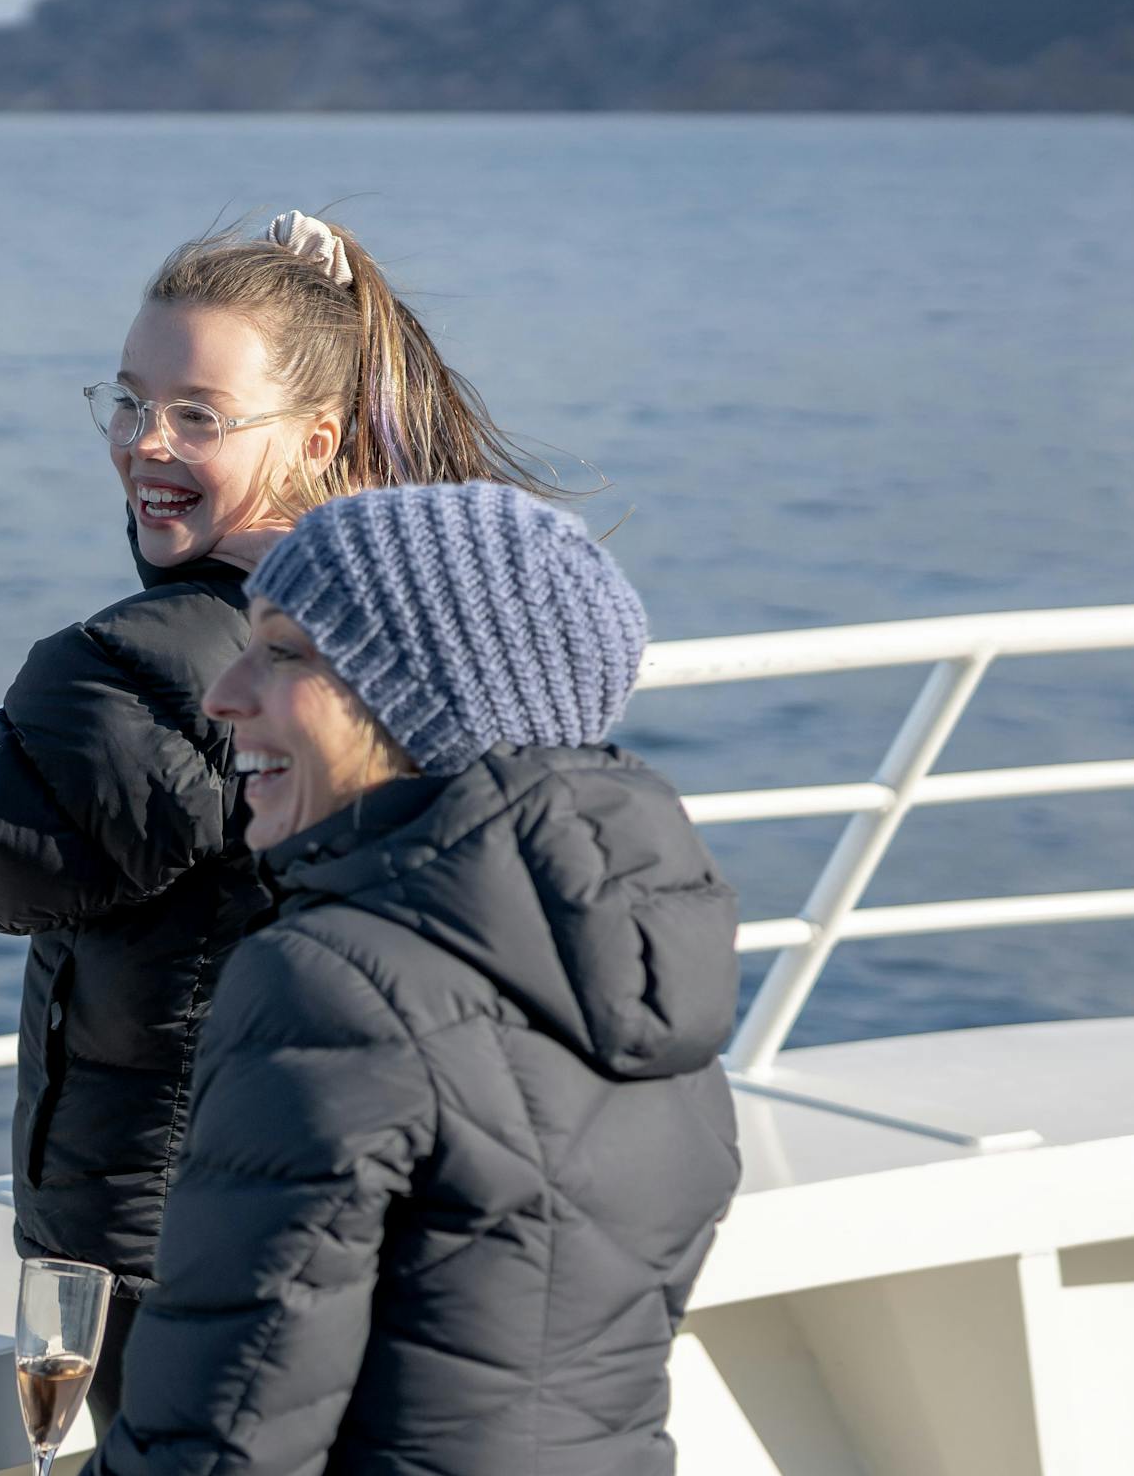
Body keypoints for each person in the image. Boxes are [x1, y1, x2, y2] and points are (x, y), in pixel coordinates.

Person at [0, 210, 552, 1441]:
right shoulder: (426, 617)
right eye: (130, 401)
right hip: (377, 1189)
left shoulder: (138, 662)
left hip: (173, 1234)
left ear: (315, 438)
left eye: (197, 413)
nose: (146, 443)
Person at [102, 482, 742, 1476]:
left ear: (417, 708)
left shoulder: (328, 985)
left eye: (285, 651)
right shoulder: (643, 958)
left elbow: (221, 1443)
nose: (224, 693)